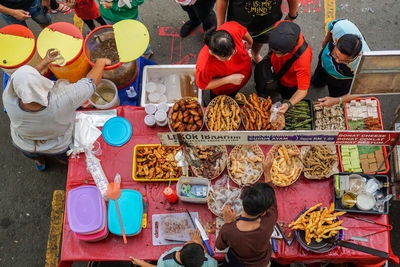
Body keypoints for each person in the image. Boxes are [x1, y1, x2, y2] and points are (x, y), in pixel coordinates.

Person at [2, 49, 111, 170]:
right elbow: (89, 83)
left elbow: (24, 82)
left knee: (33, 154)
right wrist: (100, 62)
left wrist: (44, 63)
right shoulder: (61, 101)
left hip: (23, 142)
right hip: (56, 145)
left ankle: (40, 161)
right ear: (42, 84)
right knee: (62, 155)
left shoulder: (8, 98)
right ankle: (64, 162)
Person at [216, 154, 277, 267]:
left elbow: (219, 246)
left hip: (238, 263)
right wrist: (267, 173)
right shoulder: (270, 219)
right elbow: (272, 201)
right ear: (264, 212)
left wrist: (228, 222)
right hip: (262, 262)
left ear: (242, 200)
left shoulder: (229, 230)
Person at [216, 0, 299, 63]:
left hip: (267, 23)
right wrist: (221, 26)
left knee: (260, 40)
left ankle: (255, 54)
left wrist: (292, 15)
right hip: (239, 24)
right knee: (235, 47)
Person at [312, 19, 370, 107]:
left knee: (335, 93)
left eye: (345, 61)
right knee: (318, 78)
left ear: (357, 55)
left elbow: (361, 90)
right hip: (324, 62)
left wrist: (337, 100)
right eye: (335, 55)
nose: (337, 61)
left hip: (339, 80)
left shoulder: (364, 64)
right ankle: (318, 82)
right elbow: (331, 29)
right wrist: (324, 43)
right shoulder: (341, 26)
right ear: (337, 40)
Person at [259, 20, 312, 114]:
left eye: (282, 54)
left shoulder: (303, 59)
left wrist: (289, 104)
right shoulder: (280, 27)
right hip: (276, 70)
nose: (277, 56)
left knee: (285, 95)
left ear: (292, 48)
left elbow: (302, 90)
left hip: (289, 83)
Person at [195, 21, 252, 100]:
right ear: (213, 53)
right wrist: (228, 79)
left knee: (234, 93)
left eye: (232, 53)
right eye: (225, 58)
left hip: (240, 81)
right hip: (224, 89)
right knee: (223, 100)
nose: (230, 59)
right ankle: (231, 96)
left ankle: (234, 95)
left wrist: (250, 42)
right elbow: (203, 85)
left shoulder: (231, 29)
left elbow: (243, 31)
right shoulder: (204, 66)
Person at [130, 229, 217, 267]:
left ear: (179, 250)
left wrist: (141, 264)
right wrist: (199, 242)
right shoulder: (210, 263)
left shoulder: (164, 261)